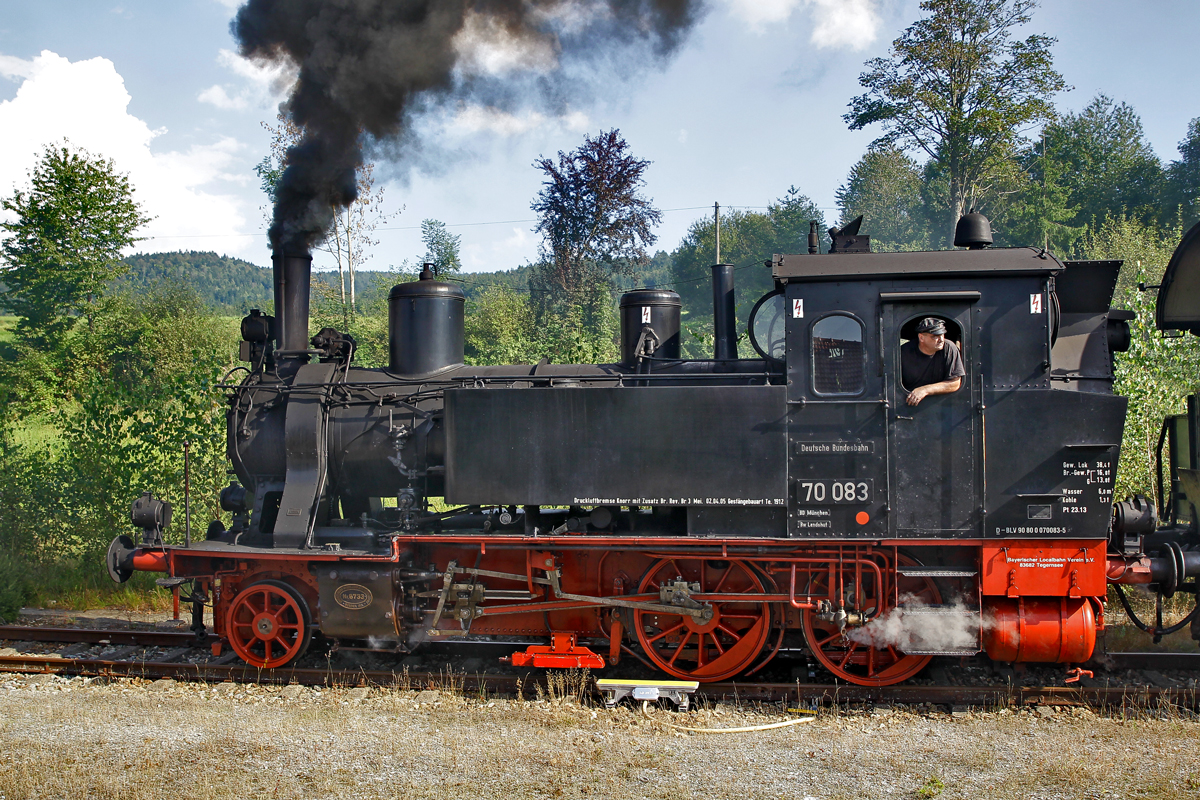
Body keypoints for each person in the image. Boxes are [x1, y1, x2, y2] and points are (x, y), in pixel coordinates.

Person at [901, 317, 965, 406]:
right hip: (909, 404)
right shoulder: (904, 352)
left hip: (942, 405)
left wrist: (925, 390)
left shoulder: (949, 348)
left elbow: (955, 383)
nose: (941, 340)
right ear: (921, 337)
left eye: (942, 335)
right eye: (935, 336)